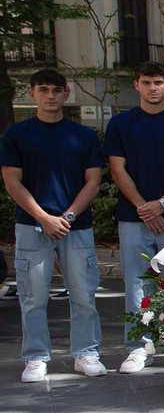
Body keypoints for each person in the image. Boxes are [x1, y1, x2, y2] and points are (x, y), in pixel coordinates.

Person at [2, 69, 106, 382]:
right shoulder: (17, 135)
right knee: (32, 296)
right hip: (32, 226)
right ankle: (35, 357)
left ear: (66, 93)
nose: (50, 96)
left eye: (56, 90)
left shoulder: (83, 136)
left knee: (84, 294)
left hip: (77, 226)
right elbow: (12, 181)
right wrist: (44, 218)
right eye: (43, 89)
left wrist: (68, 216)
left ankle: (86, 352)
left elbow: (93, 181)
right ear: (32, 93)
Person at [104, 61, 164, 373]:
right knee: (136, 284)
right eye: (146, 82)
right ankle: (137, 347)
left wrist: (162, 202)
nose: (152, 88)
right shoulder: (121, 124)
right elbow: (117, 169)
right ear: (137, 85)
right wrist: (144, 207)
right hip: (134, 217)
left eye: (158, 82)